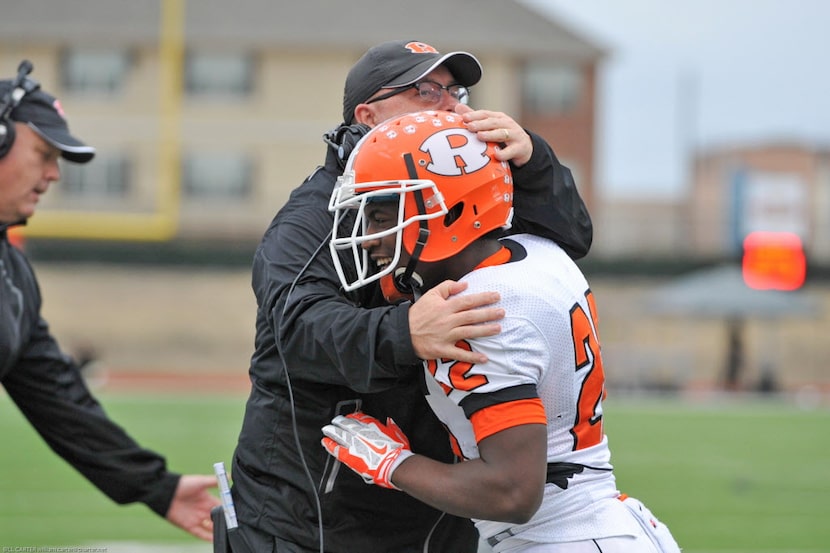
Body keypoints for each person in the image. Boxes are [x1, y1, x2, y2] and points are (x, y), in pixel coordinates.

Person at [227, 40, 593, 553]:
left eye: (454, 91)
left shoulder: (459, 185)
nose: (450, 106)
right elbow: (297, 331)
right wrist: (405, 332)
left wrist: (535, 163)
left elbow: (567, 240)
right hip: (317, 510)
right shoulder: (311, 218)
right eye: (425, 91)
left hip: (444, 497)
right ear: (367, 113)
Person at [321, 110, 681, 553]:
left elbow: (512, 491)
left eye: (380, 217)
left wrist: (394, 464)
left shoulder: (476, 310)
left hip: (557, 537)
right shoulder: (536, 251)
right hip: (603, 521)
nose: (370, 238)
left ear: (446, 209)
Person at [0, 61, 220, 542]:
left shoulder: (11, 273)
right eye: (42, 153)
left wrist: (156, 487)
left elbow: (56, 395)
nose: (54, 175)